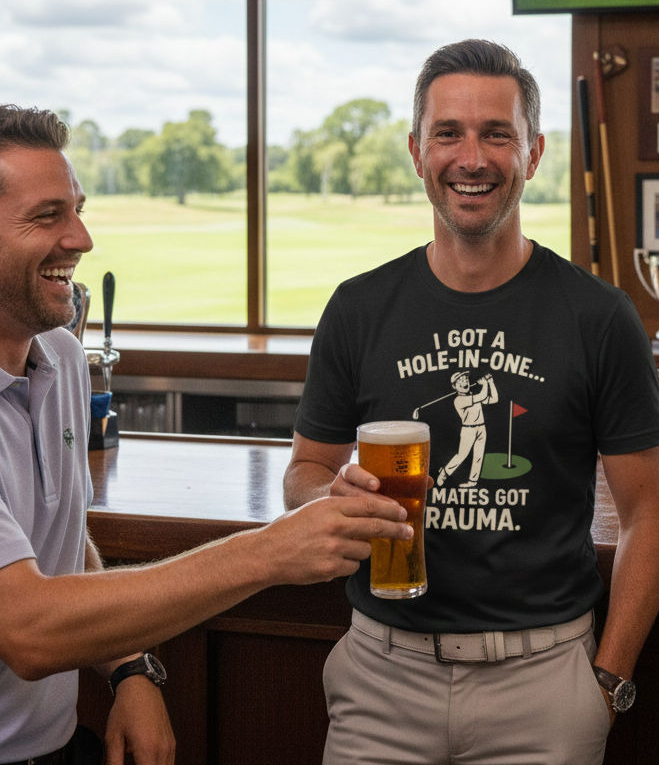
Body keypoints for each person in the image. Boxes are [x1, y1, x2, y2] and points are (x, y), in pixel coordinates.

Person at [284, 38, 659, 765]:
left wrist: (607, 682)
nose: (472, 158)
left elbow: (650, 515)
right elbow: (305, 471)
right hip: (380, 677)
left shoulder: (598, 317)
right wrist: (329, 496)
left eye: (497, 134)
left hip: (544, 683)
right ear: (416, 151)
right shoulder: (358, 309)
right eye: (448, 134)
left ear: (533, 153)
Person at [0, 105, 413, 765]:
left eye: (77, 210)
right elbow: (28, 629)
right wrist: (269, 551)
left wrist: (130, 670)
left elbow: (62, 543)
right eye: (47, 216)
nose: (81, 238)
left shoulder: (62, 357)